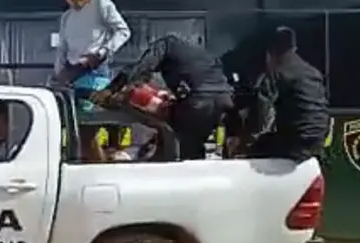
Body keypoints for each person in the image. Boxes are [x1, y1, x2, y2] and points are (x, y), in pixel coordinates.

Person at [96, 34, 234, 160]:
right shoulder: (197, 54)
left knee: (186, 146)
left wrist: (110, 89)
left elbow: (139, 68)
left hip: (199, 101)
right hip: (225, 99)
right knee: (196, 143)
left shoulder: (164, 46)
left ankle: (180, 176)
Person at [246, 27, 330, 162]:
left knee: (255, 148)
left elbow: (263, 111)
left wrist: (250, 135)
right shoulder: (312, 71)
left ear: (270, 53)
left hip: (295, 142)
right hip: (317, 139)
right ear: (294, 48)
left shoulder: (279, 73)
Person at [52, 0, 130, 106]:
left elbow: (123, 31)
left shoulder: (101, 4)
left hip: (94, 73)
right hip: (71, 75)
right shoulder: (67, 16)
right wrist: (59, 72)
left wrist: (102, 52)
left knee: (91, 116)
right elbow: (62, 47)